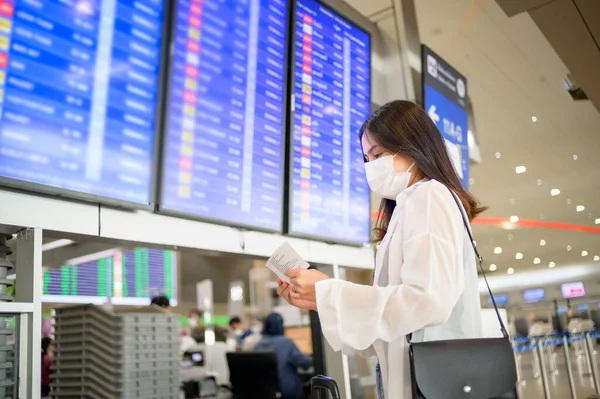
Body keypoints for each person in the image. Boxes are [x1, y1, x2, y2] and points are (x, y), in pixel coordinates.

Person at [277, 100, 485, 398]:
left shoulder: (428, 196)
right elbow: (389, 330)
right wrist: (320, 301)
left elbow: (428, 300)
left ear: (413, 145)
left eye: (378, 154)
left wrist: (328, 291)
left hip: (430, 381)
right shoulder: (410, 204)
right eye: (366, 157)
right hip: (421, 376)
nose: (371, 166)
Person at [254, 313, 311, 399]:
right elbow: (305, 363)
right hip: (288, 393)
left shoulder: (258, 345)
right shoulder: (286, 343)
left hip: (266, 393)